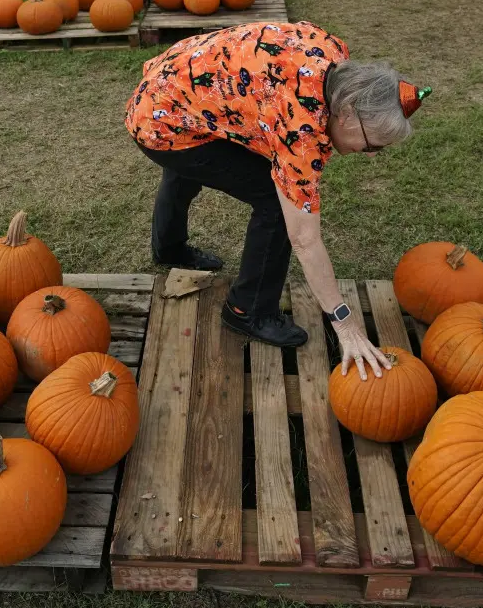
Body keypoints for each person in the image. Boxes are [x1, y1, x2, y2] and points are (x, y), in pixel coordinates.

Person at [125, 21, 429, 380]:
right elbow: (304, 238)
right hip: (163, 118)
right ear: (346, 114)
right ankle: (248, 310)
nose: (372, 155)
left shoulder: (333, 55)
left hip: (174, 87)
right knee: (274, 198)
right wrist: (344, 323)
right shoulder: (303, 129)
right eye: (373, 143)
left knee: (192, 162)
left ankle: (169, 248)